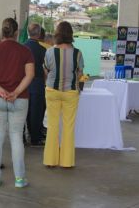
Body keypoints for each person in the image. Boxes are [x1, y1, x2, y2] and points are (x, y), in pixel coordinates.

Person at [0, 18, 35, 188]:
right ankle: (19, 179)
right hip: (19, 100)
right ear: (17, 32)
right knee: (16, 137)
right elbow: (30, 75)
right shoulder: (25, 51)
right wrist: (16, 92)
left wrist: (0, 89)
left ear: (2, 32)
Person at [43, 21, 84, 168]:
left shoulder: (49, 52)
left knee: (53, 125)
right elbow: (80, 74)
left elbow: (46, 71)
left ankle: (50, 160)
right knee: (68, 127)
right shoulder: (78, 53)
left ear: (57, 34)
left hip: (52, 91)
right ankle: (67, 162)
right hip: (70, 93)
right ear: (71, 35)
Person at [24, 23, 46, 146]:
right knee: (36, 111)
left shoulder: (22, 47)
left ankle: (24, 135)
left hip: (24, 82)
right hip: (38, 82)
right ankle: (35, 138)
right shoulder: (43, 50)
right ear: (38, 34)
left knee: (25, 110)